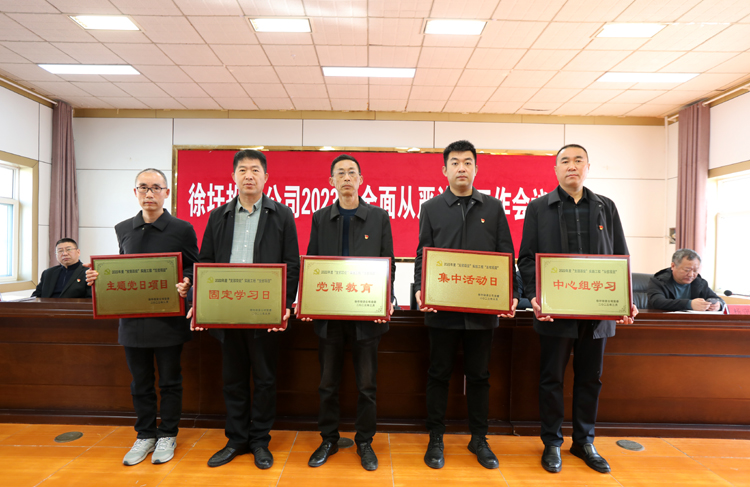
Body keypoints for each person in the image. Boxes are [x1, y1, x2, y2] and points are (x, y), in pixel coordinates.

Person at [518, 144, 638, 474]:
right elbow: (526, 258)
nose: (572, 166)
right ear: (556, 169)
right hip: (554, 311)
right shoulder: (538, 208)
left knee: (590, 378)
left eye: (578, 160)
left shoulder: (605, 207)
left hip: (597, 312)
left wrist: (626, 298)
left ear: (588, 167)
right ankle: (552, 442)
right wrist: (534, 296)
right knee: (551, 378)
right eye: (565, 161)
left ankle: (584, 441)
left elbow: (620, 257)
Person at [186, 149, 300, 470]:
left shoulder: (282, 215)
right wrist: (200, 303)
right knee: (233, 380)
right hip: (227, 311)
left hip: (265, 313)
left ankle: (260, 440)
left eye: (255, 170)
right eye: (242, 170)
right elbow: (205, 262)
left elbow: (291, 264)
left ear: (266, 177)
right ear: (233, 177)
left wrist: (284, 305)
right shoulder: (218, 215)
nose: (249, 175)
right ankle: (236, 439)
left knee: (264, 379)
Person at [414, 140, 518, 470]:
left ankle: (479, 438)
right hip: (442, 310)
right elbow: (422, 254)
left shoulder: (493, 207)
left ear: (476, 168)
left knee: (479, 376)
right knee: (438, 374)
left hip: (481, 311)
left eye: (468, 162)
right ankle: (436, 437)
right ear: (444, 170)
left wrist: (512, 292)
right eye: (455, 162)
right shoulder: (431, 208)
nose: (462, 167)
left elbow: (506, 255)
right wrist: (420, 290)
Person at [85, 168, 198, 466]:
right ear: (135, 192)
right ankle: (145, 434)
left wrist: (187, 281)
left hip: (168, 320)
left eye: (156, 188)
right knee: (140, 382)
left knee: (170, 381)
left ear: (166, 193)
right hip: (132, 320)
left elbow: (194, 266)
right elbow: (122, 267)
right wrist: (98, 277)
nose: (149, 193)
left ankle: (168, 434)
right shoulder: (123, 228)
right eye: (143, 187)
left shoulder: (182, 229)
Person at [303, 154, 396, 472]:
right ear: (331, 181)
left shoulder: (378, 217)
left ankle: (365, 442)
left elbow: (387, 262)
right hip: (329, 316)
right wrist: (307, 300)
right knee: (327, 384)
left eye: (351, 172)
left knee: (366, 386)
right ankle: (328, 439)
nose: (346, 177)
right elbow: (313, 262)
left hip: (366, 317)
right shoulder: (320, 218)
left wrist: (387, 299)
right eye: (340, 173)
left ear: (360, 180)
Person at [647, 249, 725, 311]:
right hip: (664, 322)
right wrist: (689, 304)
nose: (691, 275)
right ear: (673, 266)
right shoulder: (659, 281)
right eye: (687, 270)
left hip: (692, 323)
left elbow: (719, 300)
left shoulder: (699, 282)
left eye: (695, 270)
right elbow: (657, 302)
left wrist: (718, 305)